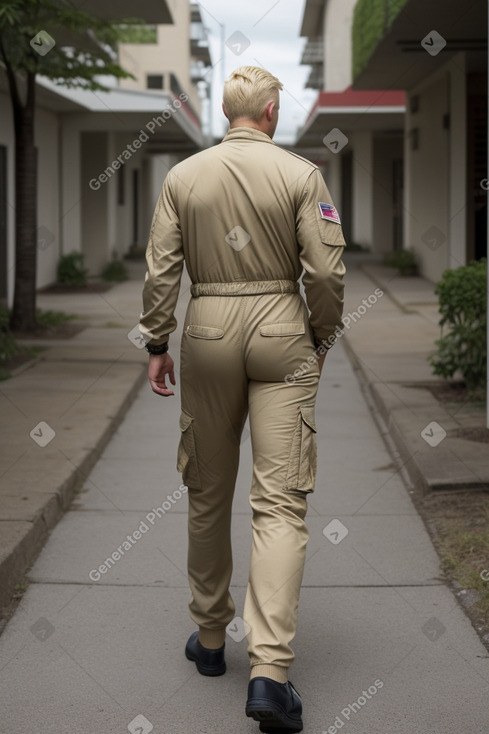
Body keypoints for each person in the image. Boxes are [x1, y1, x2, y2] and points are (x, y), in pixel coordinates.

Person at [139, 65, 346, 733]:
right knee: (279, 500)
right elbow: (323, 269)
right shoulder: (298, 175)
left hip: (207, 328)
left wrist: (156, 343)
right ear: (269, 111)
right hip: (281, 325)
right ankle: (268, 674)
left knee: (206, 488)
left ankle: (207, 641)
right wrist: (320, 334)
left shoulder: (182, 178)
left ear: (228, 112)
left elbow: (161, 266)